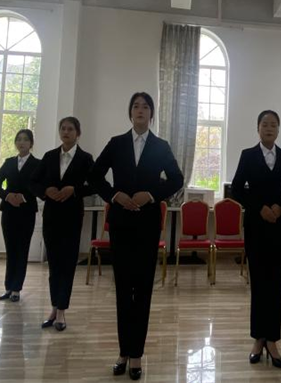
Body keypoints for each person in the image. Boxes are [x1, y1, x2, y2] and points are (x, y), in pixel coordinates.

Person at [90, 92, 184, 381]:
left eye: (145, 106)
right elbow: (95, 176)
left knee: (142, 289)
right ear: (130, 113)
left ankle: (136, 354)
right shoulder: (116, 143)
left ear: (151, 114)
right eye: (135, 106)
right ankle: (122, 351)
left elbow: (177, 179)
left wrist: (152, 194)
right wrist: (114, 195)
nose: (140, 110)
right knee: (122, 288)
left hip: (147, 225)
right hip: (121, 223)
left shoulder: (160, 146)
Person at [231, 110, 281, 369]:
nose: (269, 128)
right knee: (259, 282)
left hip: (278, 226)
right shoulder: (247, 155)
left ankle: (272, 340)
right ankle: (258, 339)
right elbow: (237, 189)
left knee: (276, 283)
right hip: (256, 226)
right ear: (257, 128)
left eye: (273, 124)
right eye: (264, 124)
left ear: (278, 130)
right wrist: (259, 208)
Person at [31, 117, 94, 331]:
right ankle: (54, 307)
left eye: (70, 129)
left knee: (67, 264)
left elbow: (96, 184)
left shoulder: (85, 158)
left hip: (72, 217)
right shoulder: (49, 156)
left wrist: (74, 190)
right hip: (51, 217)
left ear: (78, 133)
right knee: (54, 264)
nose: (66, 132)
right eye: (63, 129)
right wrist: (45, 191)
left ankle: (61, 311)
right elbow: (33, 182)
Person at [0, 128, 40, 303]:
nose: (22, 142)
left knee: (22, 249)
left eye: (25, 139)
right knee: (11, 249)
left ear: (31, 143)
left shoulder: (38, 164)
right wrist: (7, 196)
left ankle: (17, 288)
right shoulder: (9, 162)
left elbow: (40, 187)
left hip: (26, 211)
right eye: (19, 139)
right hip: (9, 211)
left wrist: (24, 197)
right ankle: (8, 287)